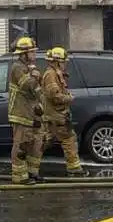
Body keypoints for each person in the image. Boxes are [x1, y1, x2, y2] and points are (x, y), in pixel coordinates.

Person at [40, 47, 89, 177]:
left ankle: (29, 163)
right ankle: (74, 168)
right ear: (56, 62)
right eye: (63, 62)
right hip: (56, 115)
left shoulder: (55, 74)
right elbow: (54, 96)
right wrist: (69, 98)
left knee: (45, 140)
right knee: (69, 139)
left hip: (53, 115)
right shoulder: (50, 75)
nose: (65, 64)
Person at [8, 36, 45, 184]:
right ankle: (19, 177)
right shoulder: (17, 68)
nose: (35, 54)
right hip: (21, 114)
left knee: (36, 144)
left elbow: (37, 90)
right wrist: (35, 75)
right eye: (32, 52)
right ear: (24, 54)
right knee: (21, 145)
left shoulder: (29, 68)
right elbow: (27, 85)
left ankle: (32, 173)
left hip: (33, 113)